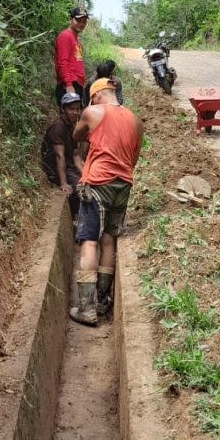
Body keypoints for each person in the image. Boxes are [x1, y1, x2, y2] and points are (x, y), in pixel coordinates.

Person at [70, 78, 144, 326]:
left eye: (91, 99)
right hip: (123, 184)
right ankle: (103, 301)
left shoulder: (93, 111)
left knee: (89, 242)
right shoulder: (135, 120)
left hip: (97, 183)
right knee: (109, 240)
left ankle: (87, 308)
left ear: (98, 95)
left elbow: (77, 134)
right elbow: (133, 158)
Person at [41, 92, 84, 218]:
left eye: (77, 109)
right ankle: (76, 217)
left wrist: (87, 173)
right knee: (80, 189)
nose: (75, 112)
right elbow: (60, 156)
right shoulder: (58, 127)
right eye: (71, 109)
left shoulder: (72, 125)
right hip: (56, 169)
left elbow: (76, 155)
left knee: (90, 182)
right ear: (62, 109)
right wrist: (64, 183)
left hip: (69, 166)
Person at [54, 7, 88, 105]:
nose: (81, 23)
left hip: (77, 84)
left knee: (74, 119)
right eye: (78, 20)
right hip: (69, 85)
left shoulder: (75, 39)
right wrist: (68, 85)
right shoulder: (65, 36)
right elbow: (62, 62)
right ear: (70, 19)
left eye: (84, 21)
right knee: (68, 118)